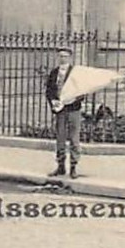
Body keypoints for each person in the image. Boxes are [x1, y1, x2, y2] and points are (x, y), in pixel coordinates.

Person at [45, 47, 82, 178]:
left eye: (65, 56)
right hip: (60, 109)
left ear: (70, 58)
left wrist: (73, 99)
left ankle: (73, 166)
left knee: (74, 138)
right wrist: (53, 102)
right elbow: (49, 90)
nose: (62, 59)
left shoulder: (75, 73)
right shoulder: (54, 72)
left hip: (73, 109)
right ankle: (60, 166)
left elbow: (81, 91)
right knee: (60, 137)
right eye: (60, 56)